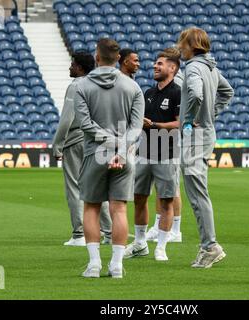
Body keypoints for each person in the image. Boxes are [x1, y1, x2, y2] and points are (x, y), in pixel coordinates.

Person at [74, 38, 144, 278]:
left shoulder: (82, 86)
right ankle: (117, 265)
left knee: (91, 208)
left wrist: (108, 142)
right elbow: (136, 128)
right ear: (118, 59)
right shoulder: (133, 87)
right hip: (124, 155)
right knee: (119, 210)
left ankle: (94, 265)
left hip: (95, 153)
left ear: (97, 56)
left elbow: (85, 124)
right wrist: (121, 148)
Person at [177, 28, 234, 268]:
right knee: (198, 191)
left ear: (191, 45)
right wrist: (211, 115)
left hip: (195, 136)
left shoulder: (192, 68)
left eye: (182, 44)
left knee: (197, 192)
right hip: (206, 132)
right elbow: (227, 92)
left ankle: (210, 246)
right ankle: (208, 245)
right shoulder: (212, 67)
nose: (179, 48)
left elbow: (197, 94)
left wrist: (189, 119)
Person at [124, 48, 181, 261]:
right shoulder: (147, 93)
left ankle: (162, 247)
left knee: (166, 200)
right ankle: (140, 243)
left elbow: (180, 123)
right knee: (139, 198)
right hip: (144, 153)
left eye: (160, 64)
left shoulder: (177, 92)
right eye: (155, 64)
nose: (155, 67)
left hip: (167, 154)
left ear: (172, 68)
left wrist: (154, 124)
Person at [52, 51, 112, 247]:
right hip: (97, 139)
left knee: (75, 187)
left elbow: (67, 119)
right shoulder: (97, 85)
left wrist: (57, 145)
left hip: (76, 140)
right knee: (97, 187)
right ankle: (109, 232)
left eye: (72, 64)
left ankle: (79, 234)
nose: (70, 67)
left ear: (79, 67)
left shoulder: (76, 86)